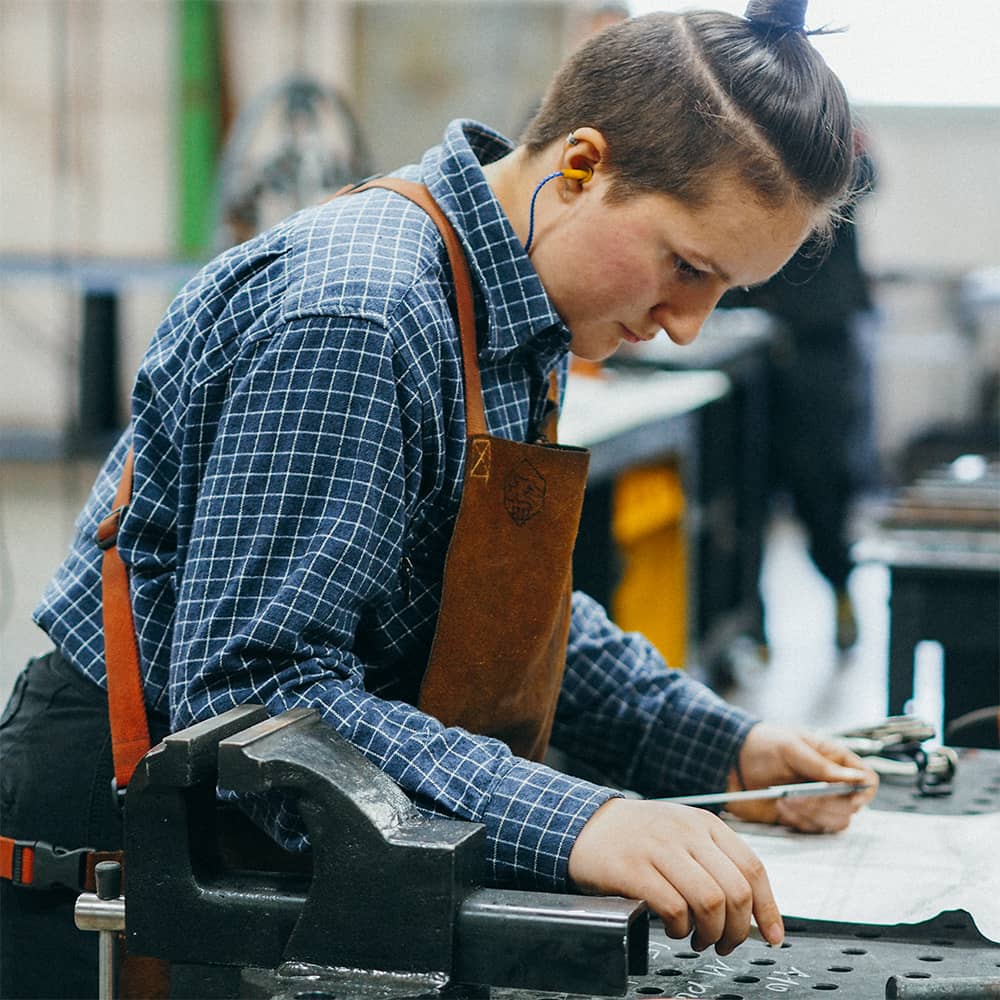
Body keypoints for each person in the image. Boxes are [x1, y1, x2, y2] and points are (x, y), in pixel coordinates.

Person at [0, 2, 879, 995]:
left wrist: (724, 743)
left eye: (724, 290)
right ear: (582, 166)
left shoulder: (515, 310)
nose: (685, 324)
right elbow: (258, 699)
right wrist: (579, 820)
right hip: (133, 842)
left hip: (287, 824)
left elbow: (492, 612)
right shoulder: (360, 312)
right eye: (687, 267)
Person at [725, 137, 879, 651]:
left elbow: (867, 177)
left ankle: (840, 591)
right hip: (753, 345)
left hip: (818, 346)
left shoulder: (833, 137)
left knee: (822, 486)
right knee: (745, 490)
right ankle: (752, 625)